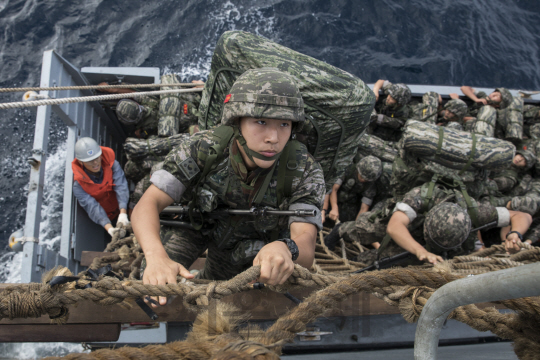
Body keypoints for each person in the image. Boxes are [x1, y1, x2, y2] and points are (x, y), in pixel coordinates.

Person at [132, 68, 325, 306]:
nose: (273, 137)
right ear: (237, 122)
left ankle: (202, 279)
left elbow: (306, 241)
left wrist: (286, 249)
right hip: (199, 227)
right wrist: (155, 257)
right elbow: (148, 203)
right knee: (153, 289)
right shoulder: (204, 149)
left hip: (257, 242)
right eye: (261, 121)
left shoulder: (303, 169)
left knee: (237, 296)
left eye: (284, 124)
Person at [325, 181, 533, 266]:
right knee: (365, 230)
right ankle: (340, 231)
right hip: (407, 224)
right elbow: (395, 227)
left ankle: (363, 259)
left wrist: (515, 234)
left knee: (381, 262)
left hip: (436, 248)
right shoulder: (420, 197)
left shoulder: (474, 212)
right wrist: (419, 251)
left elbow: (521, 215)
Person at [71, 137, 130, 237]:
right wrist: (109, 228)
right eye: (90, 161)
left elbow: (121, 186)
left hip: (123, 208)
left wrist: (123, 213)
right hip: (106, 218)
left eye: (97, 158)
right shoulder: (78, 186)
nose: (95, 163)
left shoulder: (112, 164)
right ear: (81, 162)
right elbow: (92, 207)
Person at [326, 155, 383, 223]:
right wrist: (334, 208)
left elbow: (364, 208)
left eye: (366, 179)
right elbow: (334, 189)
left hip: (350, 205)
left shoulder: (371, 185)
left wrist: (354, 226)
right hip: (333, 198)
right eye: (361, 176)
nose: (363, 180)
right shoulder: (348, 169)